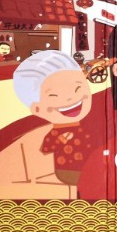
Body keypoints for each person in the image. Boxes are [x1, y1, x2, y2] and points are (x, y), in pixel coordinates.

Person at [12, 50, 96, 198]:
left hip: (90, 164)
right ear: (37, 109)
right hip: (69, 171)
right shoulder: (55, 133)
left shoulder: (86, 125)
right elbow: (46, 148)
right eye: (54, 95)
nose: (70, 98)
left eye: (78, 88)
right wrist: (61, 140)